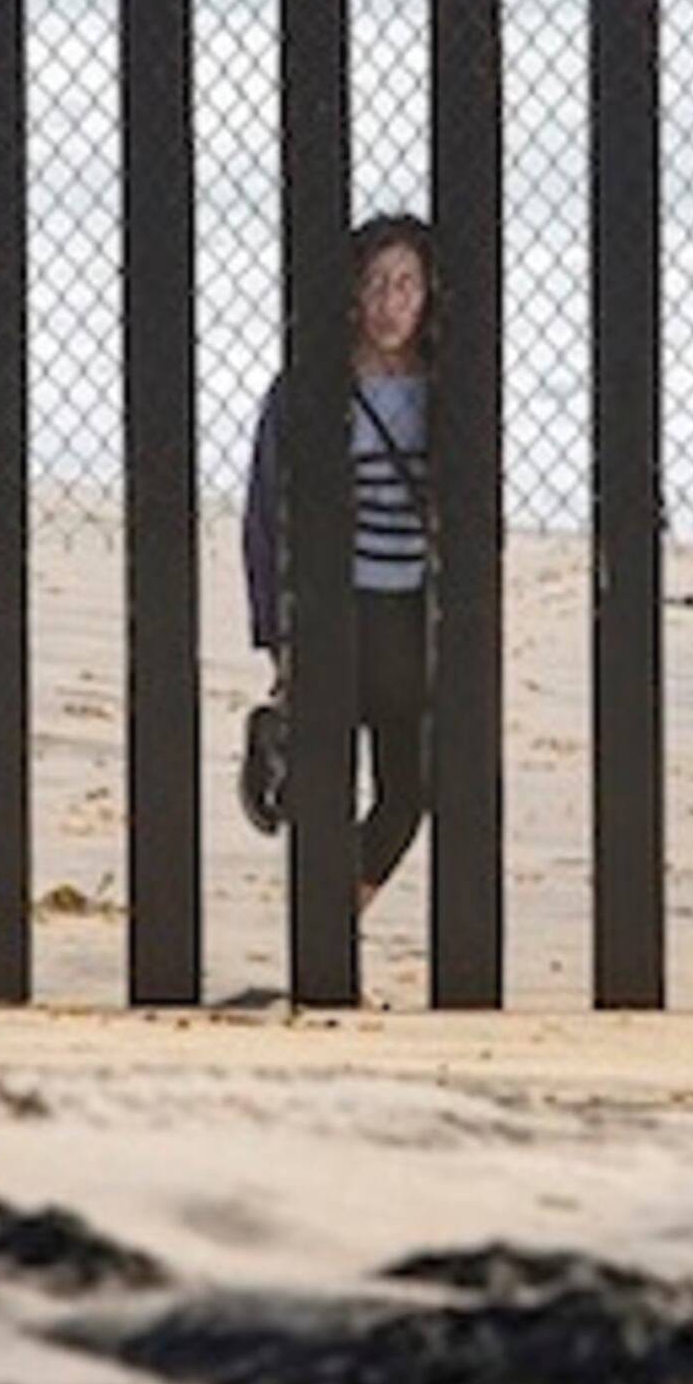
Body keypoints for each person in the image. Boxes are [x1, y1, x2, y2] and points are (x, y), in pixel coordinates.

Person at [238, 210, 437, 911]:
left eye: (407, 285)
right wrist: (274, 632)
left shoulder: (448, 390)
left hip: (413, 616)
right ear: (353, 293)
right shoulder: (306, 390)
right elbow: (264, 515)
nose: (391, 304)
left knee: (411, 792)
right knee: (320, 788)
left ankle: (334, 915)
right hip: (336, 611)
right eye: (378, 284)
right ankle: (328, 941)